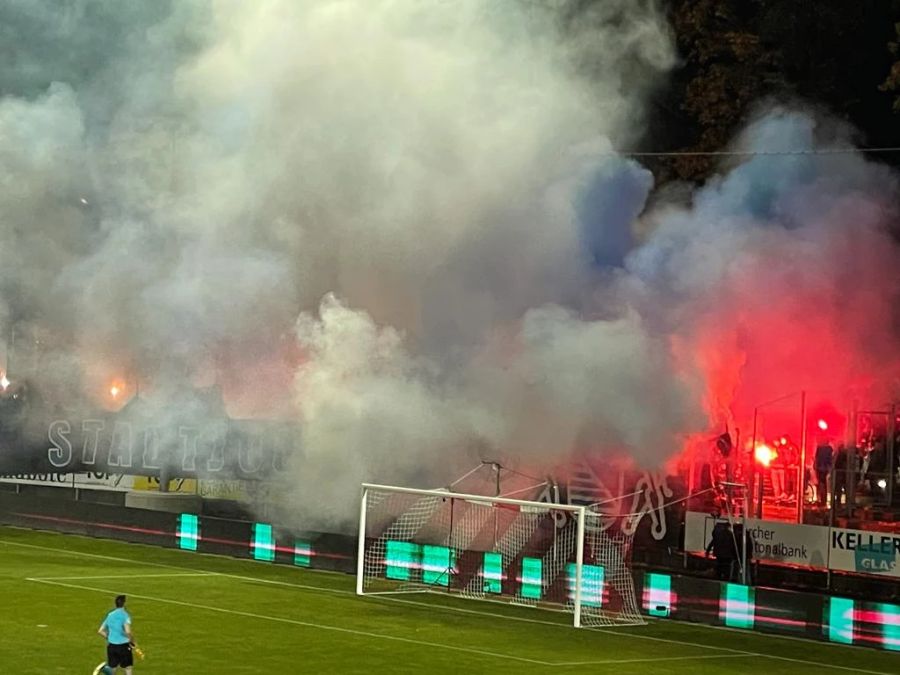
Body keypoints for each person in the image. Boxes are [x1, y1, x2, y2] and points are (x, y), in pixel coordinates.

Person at [96, 595, 135, 675]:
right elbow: (128, 632)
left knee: (112, 669)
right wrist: (132, 641)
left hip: (112, 646)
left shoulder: (110, 615)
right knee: (128, 668)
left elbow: (100, 631)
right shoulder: (125, 615)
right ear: (124, 604)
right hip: (124, 646)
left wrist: (109, 637)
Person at [705, 513, 736, 581]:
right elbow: (732, 545)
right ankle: (724, 579)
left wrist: (707, 552)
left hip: (719, 554)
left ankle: (718, 578)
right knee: (726, 569)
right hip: (727, 555)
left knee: (719, 567)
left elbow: (712, 542)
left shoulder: (719, 534)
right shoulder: (730, 535)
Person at [814, 439, 834, 507]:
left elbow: (816, 459)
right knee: (823, 484)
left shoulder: (820, 448)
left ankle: (821, 500)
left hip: (820, 469)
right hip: (824, 469)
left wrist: (816, 466)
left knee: (821, 484)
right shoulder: (829, 449)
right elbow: (830, 459)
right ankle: (822, 500)